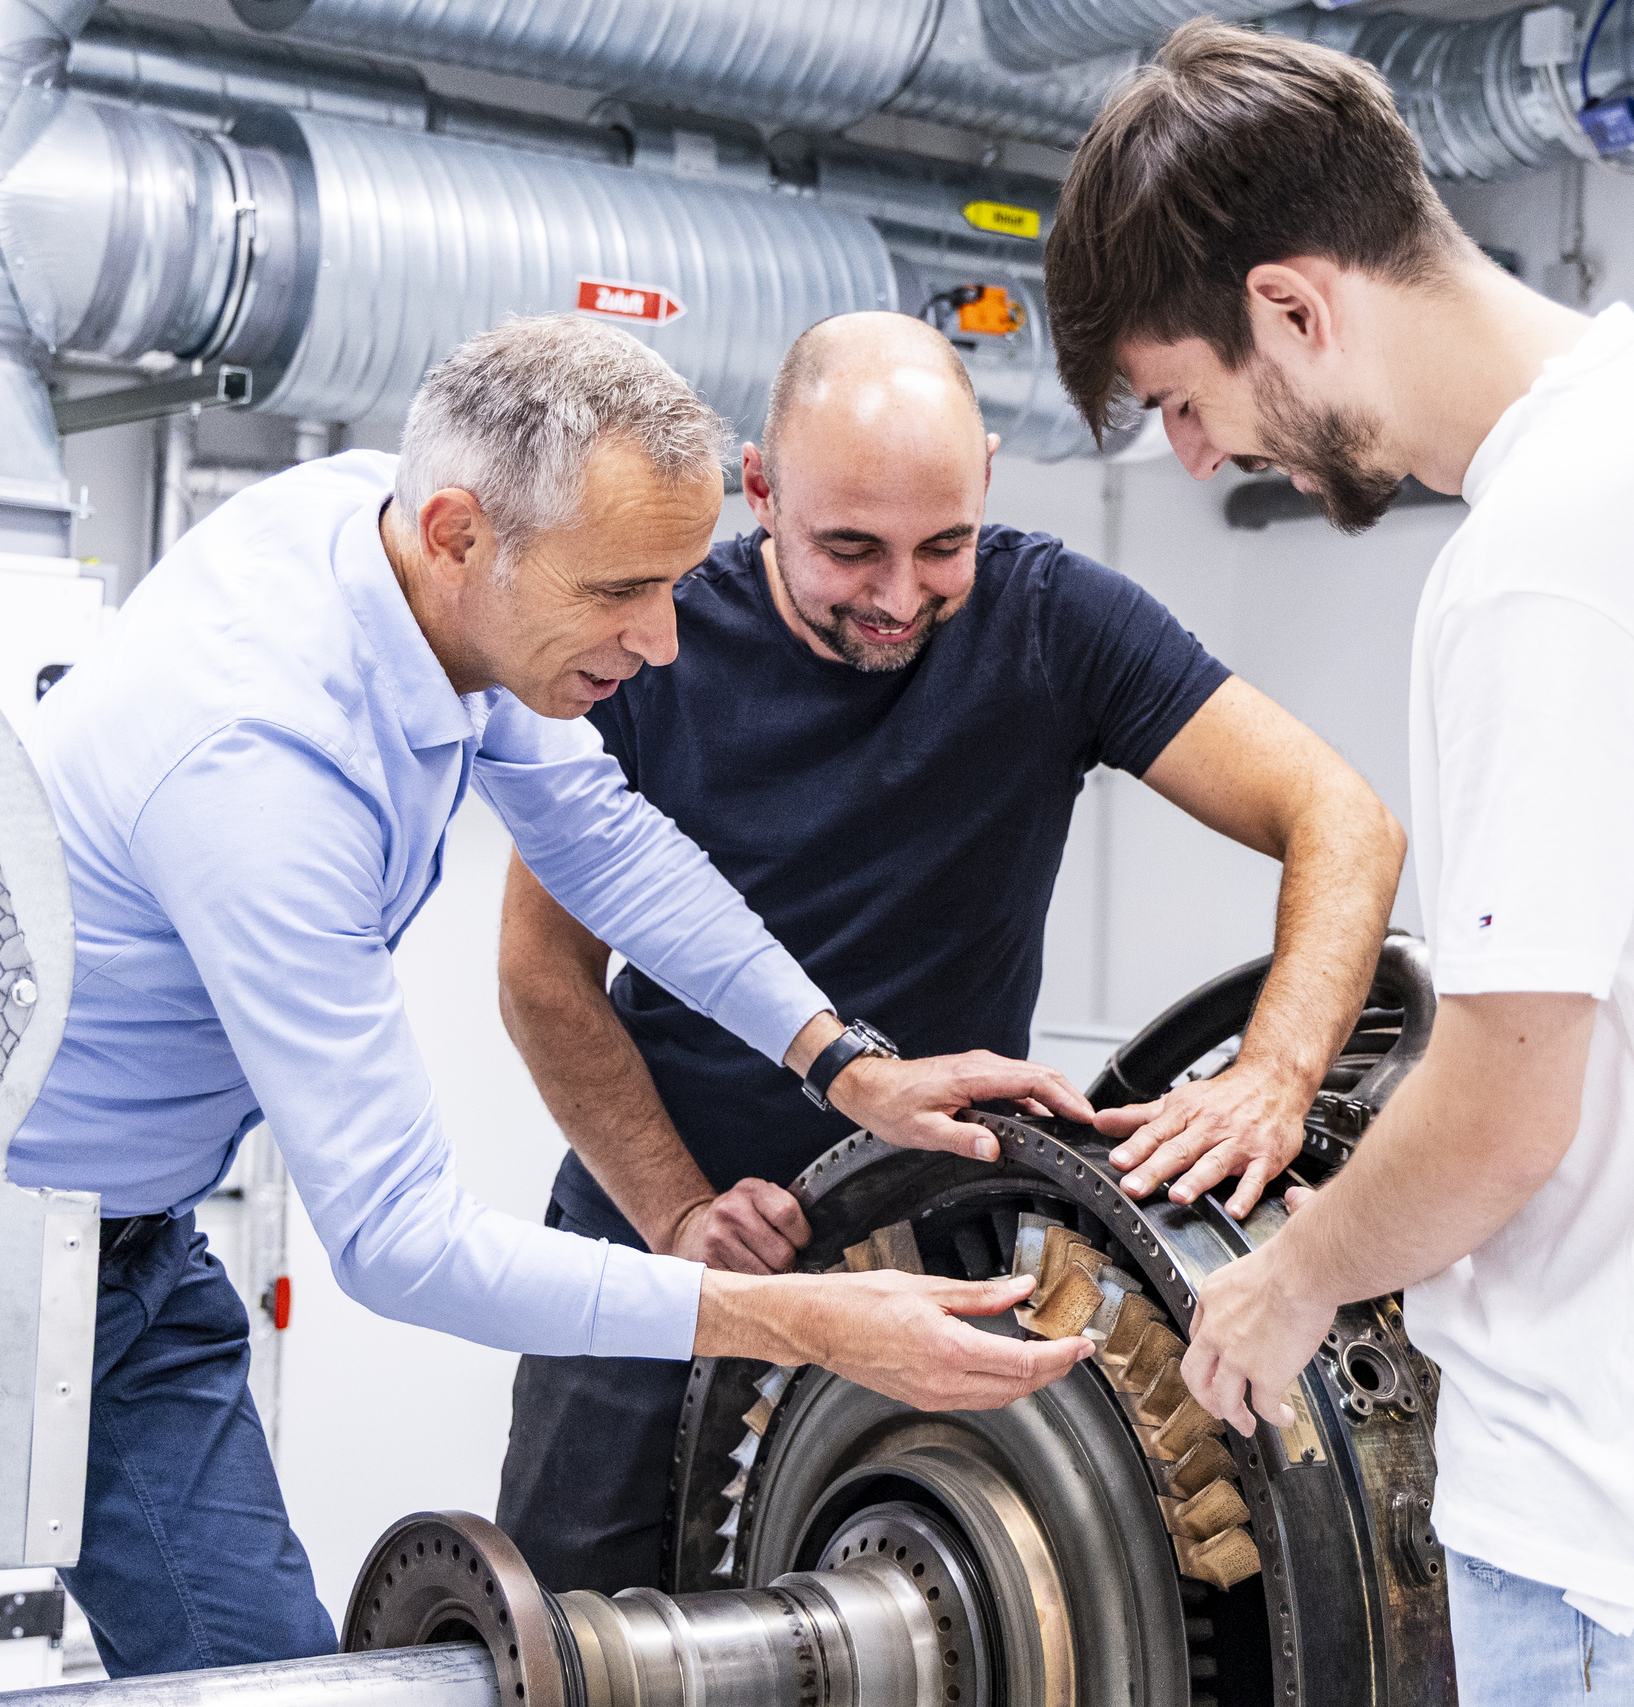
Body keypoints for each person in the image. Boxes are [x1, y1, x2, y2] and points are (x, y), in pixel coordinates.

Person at [0, 315, 1098, 1706]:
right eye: (623, 590)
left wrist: (842, 1063)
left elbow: (603, 840)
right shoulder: (262, 770)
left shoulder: (383, 543)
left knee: (274, 1685)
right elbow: (398, 1241)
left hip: (129, 1268)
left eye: (676, 583)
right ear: (459, 536)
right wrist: (799, 1323)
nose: (663, 638)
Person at [1040, 24, 1634, 1707]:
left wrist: (1291, 1280)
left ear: (1292, 305)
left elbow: (1505, 1109)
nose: (1196, 458)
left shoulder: (1547, 562)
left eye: (1186, 401)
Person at [492, 310, 1406, 1594]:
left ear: (985, 476)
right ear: (761, 491)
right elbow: (542, 974)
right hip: (671, 1247)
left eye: (943, 545)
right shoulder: (649, 647)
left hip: (936, 1240)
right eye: (849, 549)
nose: (897, 596)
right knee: (579, 1636)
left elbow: (1344, 822)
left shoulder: (1053, 621)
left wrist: (1272, 1078)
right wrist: (675, 1207)